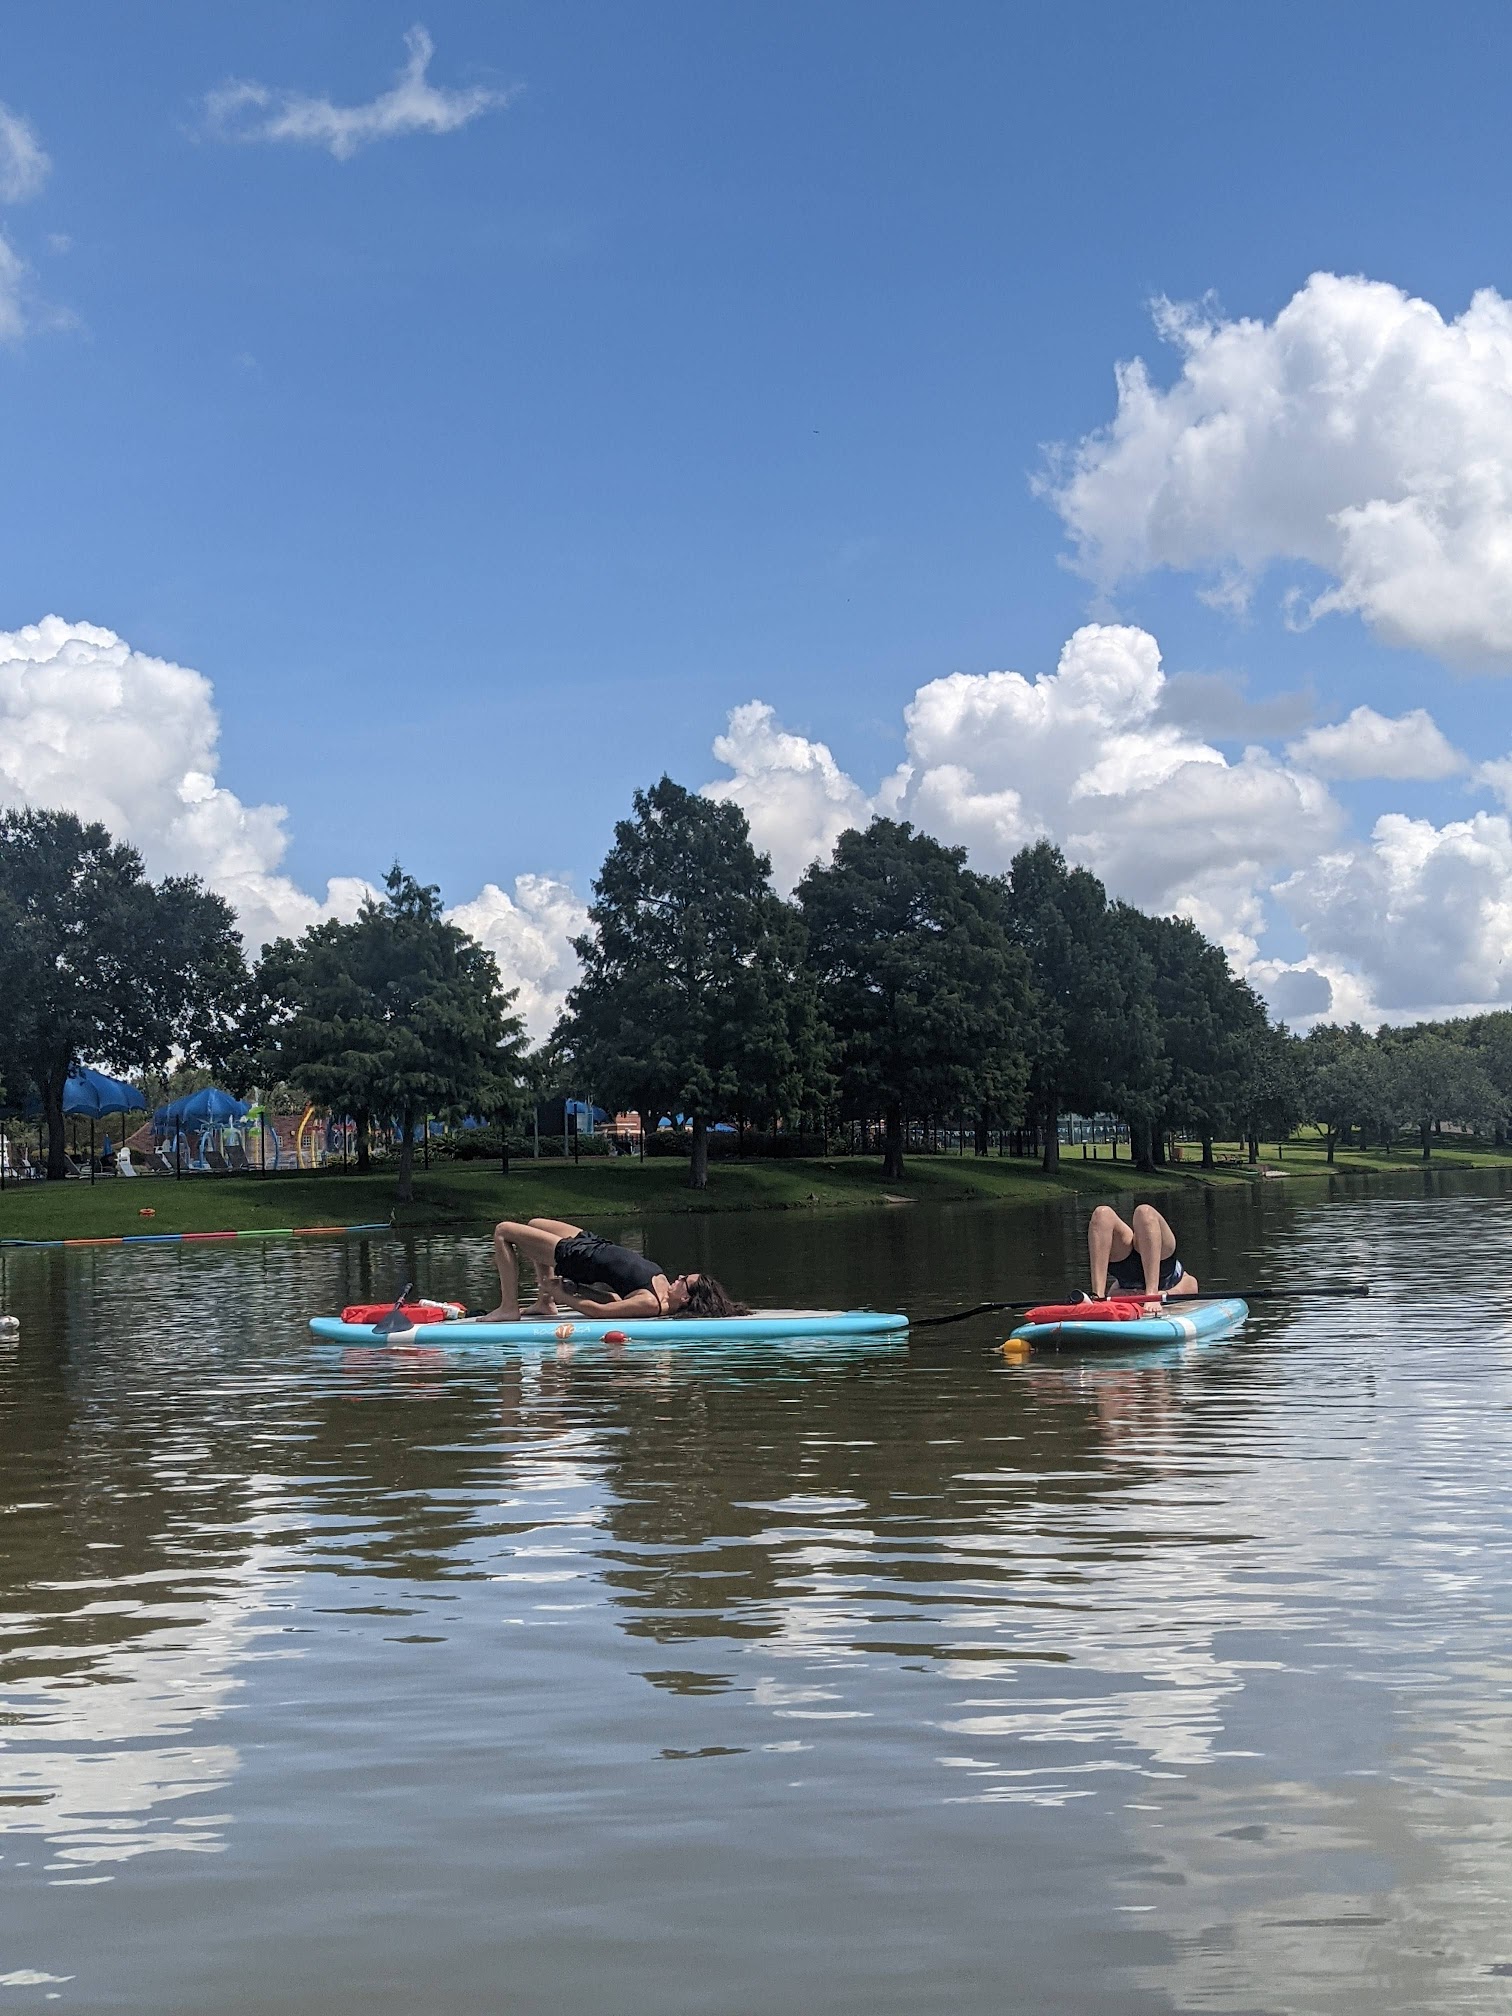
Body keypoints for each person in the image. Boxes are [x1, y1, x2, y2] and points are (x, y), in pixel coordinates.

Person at [480, 1218, 747, 1322]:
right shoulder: (663, 1291)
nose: (678, 1277)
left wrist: (565, 1296)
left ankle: (509, 1307)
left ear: (686, 1297)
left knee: (503, 1231)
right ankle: (544, 1304)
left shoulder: (651, 1304)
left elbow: (601, 1311)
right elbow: (614, 1298)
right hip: (595, 1244)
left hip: (581, 1258)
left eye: (684, 1280)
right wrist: (577, 1290)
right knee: (534, 1224)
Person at [1086, 1202, 1199, 1302]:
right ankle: (1097, 1296)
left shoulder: (1183, 1281)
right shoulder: (1180, 1277)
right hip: (1153, 1264)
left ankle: (1151, 1294)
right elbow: (1192, 1284)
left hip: (1152, 1268)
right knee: (1101, 1214)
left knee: (1144, 1212)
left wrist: (1165, 1294)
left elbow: (1192, 1285)